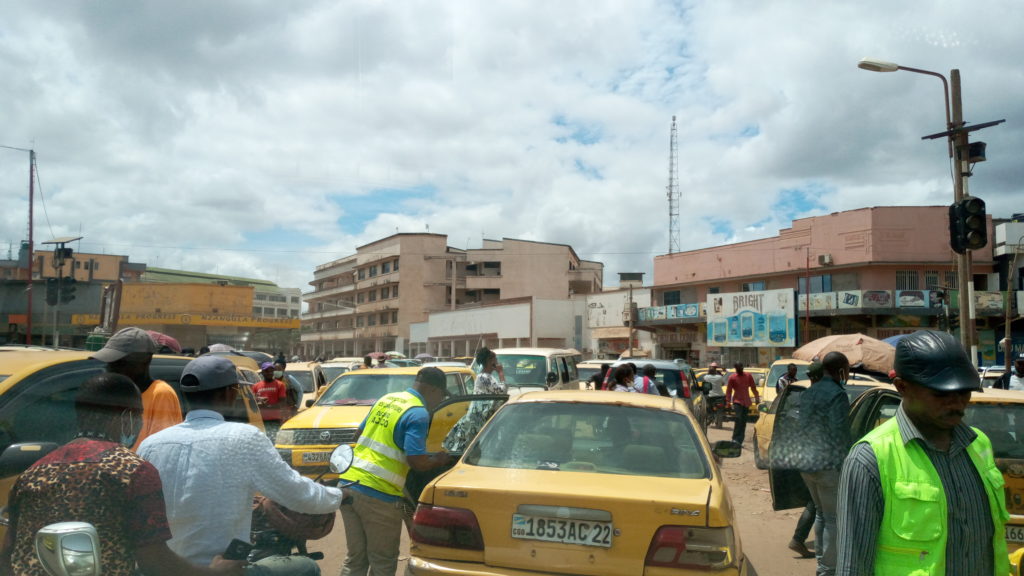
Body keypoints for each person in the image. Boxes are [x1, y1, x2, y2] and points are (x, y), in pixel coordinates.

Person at [0, 373, 243, 576]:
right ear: (128, 416)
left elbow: (8, 557)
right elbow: (155, 563)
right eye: (138, 415)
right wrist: (215, 572)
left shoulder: (35, 471)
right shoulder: (132, 471)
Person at [138, 355, 343, 574]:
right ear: (230, 393)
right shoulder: (244, 438)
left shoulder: (150, 445)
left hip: (165, 568)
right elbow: (296, 493)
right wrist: (338, 497)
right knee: (306, 567)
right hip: (224, 569)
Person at [836, 330, 1008, 576]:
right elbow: (852, 567)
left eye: (964, 392)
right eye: (941, 394)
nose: (957, 403)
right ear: (902, 387)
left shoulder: (979, 444)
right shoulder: (869, 459)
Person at [338, 367, 454, 576]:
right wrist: (438, 459)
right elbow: (416, 462)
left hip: (348, 484)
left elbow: (359, 435)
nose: (438, 402)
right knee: (383, 561)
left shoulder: (388, 399)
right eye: (440, 396)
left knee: (355, 559)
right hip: (378, 494)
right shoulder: (419, 413)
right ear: (433, 390)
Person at [795, 351, 850, 576]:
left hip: (807, 463)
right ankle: (827, 569)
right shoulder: (837, 395)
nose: (847, 374)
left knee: (821, 514)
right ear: (840, 370)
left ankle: (822, 565)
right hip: (828, 465)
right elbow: (839, 432)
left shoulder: (809, 392)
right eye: (847, 370)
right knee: (833, 519)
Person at [90, 326, 182, 450]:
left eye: (119, 363)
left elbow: (161, 449)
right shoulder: (114, 393)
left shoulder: (160, 394)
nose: (110, 368)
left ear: (144, 360)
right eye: (109, 363)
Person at [789, 360, 824, 560]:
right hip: (820, 458)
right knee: (824, 509)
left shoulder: (803, 397)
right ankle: (825, 554)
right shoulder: (823, 397)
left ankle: (799, 538)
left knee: (815, 503)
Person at [442, 347, 505, 452]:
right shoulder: (483, 377)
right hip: (478, 416)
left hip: (484, 415)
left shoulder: (489, 377)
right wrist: (501, 373)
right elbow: (501, 392)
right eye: (495, 360)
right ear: (489, 361)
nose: (497, 362)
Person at [725, 362, 760, 444]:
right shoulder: (732, 378)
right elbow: (729, 391)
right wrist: (728, 402)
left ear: (743, 367)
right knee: (738, 419)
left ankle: (740, 440)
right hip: (737, 402)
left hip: (746, 402)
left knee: (743, 421)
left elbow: (753, 387)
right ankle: (735, 438)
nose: (740, 369)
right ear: (736, 368)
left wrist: (756, 396)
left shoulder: (748, 376)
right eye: (738, 368)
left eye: (741, 367)